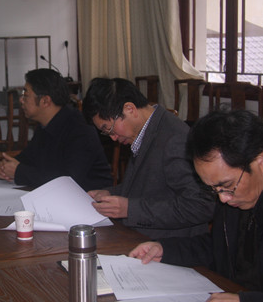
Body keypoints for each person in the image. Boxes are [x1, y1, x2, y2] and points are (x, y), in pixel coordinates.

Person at [129, 109, 263, 302]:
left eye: (227, 186)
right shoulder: (234, 193)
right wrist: (166, 249)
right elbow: (220, 248)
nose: (223, 199)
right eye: (212, 188)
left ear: (260, 162)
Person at [82, 77, 214, 239]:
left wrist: (130, 210)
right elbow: (151, 187)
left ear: (130, 109)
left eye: (109, 129)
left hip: (173, 243)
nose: (113, 138)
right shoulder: (148, 130)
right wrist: (109, 193)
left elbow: (200, 206)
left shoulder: (174, 139)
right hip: (144, 237)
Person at [0, 69, 113, 191]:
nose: (21, 100)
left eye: (25, 95)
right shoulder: (45, 125)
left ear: (45, 101)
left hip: (90, 198)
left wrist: (19, 172)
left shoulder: (80, 129)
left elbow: (68, 180)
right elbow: (28, 158)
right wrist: (5, 167)